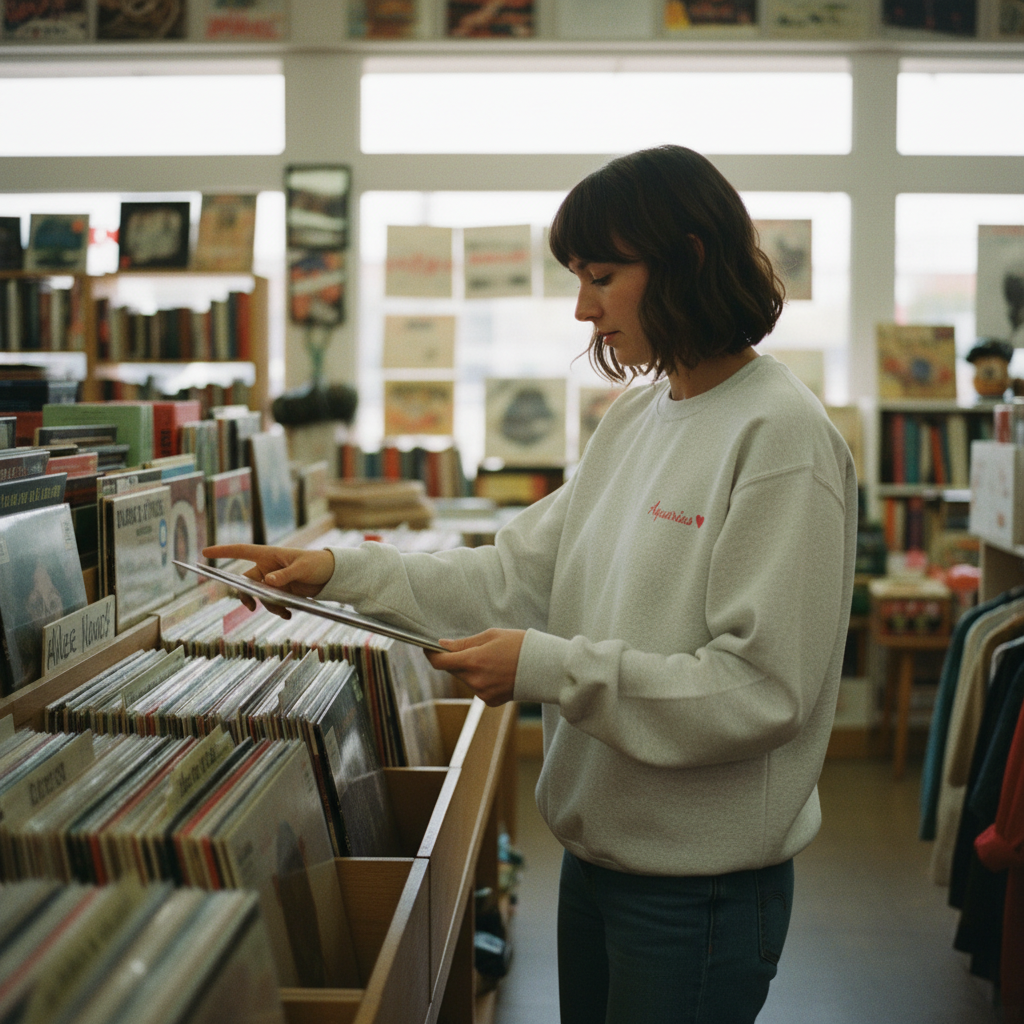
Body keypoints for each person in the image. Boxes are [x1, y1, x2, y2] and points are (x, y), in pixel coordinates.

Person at [206, 144, 858, 1024]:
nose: (583, 308)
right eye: (578, 278)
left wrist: (545, 668)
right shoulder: (637, 416)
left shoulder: (781, 437)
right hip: (596, 862)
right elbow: (512, 574)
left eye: (603, 277)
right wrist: (337, 571)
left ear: (689, 260)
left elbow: (760, 691)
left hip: (698, 892)